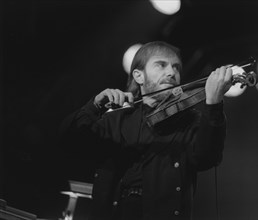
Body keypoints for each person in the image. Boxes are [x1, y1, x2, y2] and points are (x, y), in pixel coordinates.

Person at [60, 41, 232, 220]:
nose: (171, 72)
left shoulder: (189, 121)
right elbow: (68, 140)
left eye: (176, 68)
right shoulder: (117, 118)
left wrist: (214, 104)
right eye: (161, 65)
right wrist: (94, 106)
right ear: (138, 76)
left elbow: (208, 157)